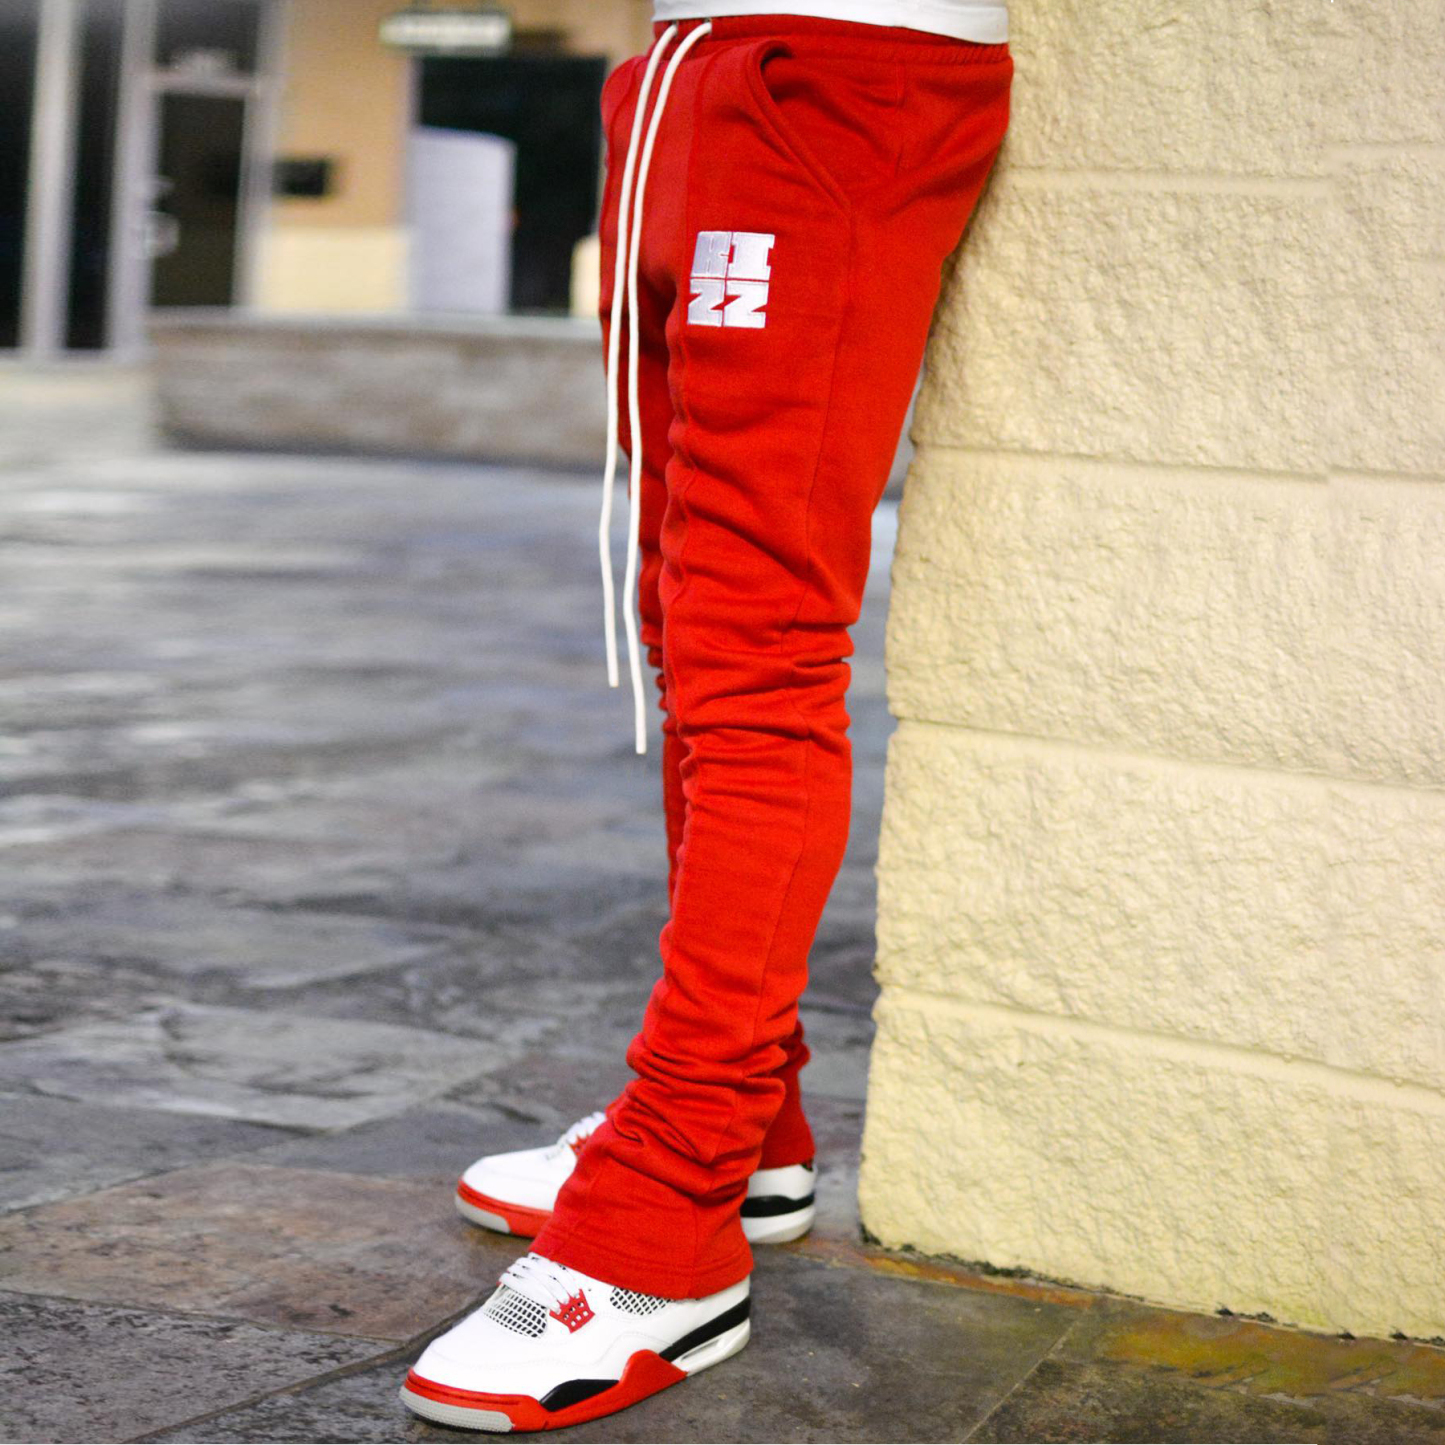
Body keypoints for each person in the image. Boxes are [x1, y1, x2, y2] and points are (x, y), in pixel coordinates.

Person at [400, 2, 1012, 1431]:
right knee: (685, 626)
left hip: (834, 77)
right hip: (687, 83)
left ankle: (670, 1205)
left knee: (753, 654)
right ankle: (749, 1127)